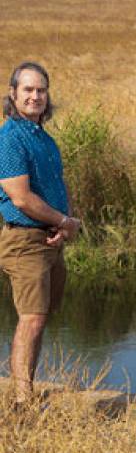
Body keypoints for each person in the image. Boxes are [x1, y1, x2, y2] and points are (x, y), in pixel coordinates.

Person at [0, 62, 81, 405]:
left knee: (40, 317)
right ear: (13, 95)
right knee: (31, 318)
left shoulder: (45, 140)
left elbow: (56, 187)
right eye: (28, 90)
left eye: (41, 90)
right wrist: (64, 222)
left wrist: (64, 224)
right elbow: (20, 196)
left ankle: (26, 390)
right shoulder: (10, 137)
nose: (35, 96)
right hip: (23, 239)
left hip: (48, 239)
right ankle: (22, 401)